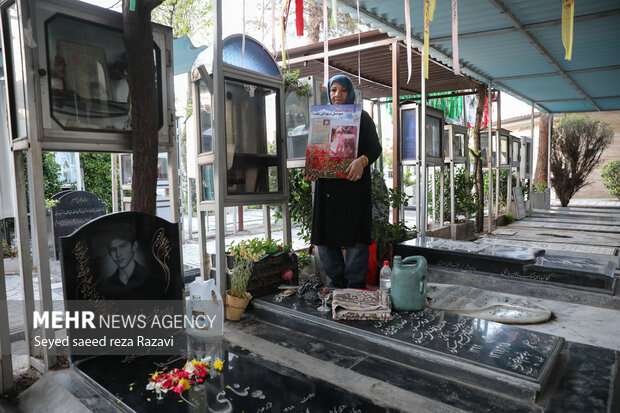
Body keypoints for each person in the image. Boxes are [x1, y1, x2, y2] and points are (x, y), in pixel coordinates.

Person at [305, 75, 382, 288]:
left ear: (350, 93)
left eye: (342, 90)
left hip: (354, 188)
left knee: (357, 237)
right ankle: (337, 285)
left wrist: (362, 161)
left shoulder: (362, 117)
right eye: (333, 90)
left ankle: (355, 286)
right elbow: (317, 151)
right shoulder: (322, 118)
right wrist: (312, 169)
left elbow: (375, 148)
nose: (337, 95)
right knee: (324, 238)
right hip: (327, 189)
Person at [96, 224, 166, 300]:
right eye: (113, 249)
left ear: (134, 246)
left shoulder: (152, 278)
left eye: (123, 246)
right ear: (109, 252)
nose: (118, 254)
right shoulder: (106, 285)